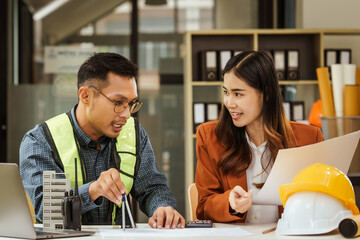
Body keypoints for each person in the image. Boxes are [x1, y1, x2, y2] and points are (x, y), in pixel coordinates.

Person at [20, 52, 185, 229]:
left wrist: (162, 208)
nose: (127, 114)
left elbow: (152, 188)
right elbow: (46, 209)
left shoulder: (134, 134)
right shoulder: (41, 141)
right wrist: (93, 190)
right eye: (118, 102)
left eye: (131, 104)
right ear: (85, 96)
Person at [195, 50, 324, 223]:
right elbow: (203, 208)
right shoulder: (210, 137)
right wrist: (229, 204)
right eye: (226, 92)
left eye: (238, 94)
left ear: (267, 93)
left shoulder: (309, 138)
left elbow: (322, 201)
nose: (229, 103)